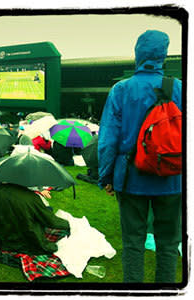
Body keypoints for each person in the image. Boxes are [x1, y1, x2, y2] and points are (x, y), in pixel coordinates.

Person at [98, 30, 182, 283]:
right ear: (163, 55)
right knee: (168, 244)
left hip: (131, 177)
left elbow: (108, 140)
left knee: (133, 243)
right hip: (172, 178)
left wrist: (106, 177)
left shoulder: (121, 90)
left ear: (138, 54)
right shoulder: (179, 87)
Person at [0, 183, 69, 254]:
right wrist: (70, 224)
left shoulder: (0, 190)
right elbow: (51, 221)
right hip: (25, 238)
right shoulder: (31, 197)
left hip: (5, 237)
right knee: (48, 211)